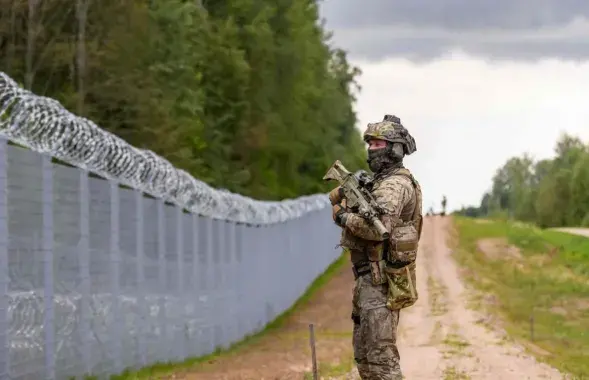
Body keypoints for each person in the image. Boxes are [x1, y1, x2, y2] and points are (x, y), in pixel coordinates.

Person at [328, 114, 423, 380]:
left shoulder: (394, 185)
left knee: (381, 361)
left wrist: (342, 217)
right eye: (370, 143)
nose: (371, 149)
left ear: (395, 148)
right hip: (368, 280)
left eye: (379, 144)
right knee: (365, 358)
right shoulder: (381, 182)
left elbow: (376, 229)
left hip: (380, 280)